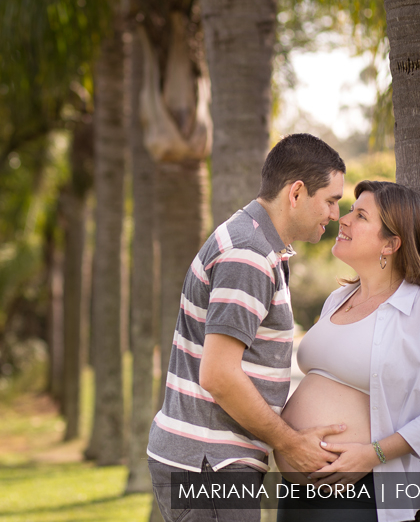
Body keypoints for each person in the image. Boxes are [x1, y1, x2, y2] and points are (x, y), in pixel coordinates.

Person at [147, 133, 348, 522]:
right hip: (210, 466)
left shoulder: (259, 245)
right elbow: (219, 375)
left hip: (212, 464)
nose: (334, 214)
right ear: (296, 193)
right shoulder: (249, 255)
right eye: (331, 200)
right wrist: (290, 444)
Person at [274, 180, 420, 522]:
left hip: (362, 494)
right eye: (351, 210)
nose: (344, 219)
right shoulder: (338, 299)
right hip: (295, 494)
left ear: (392, 244)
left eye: (361, 215)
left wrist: (371, 455)